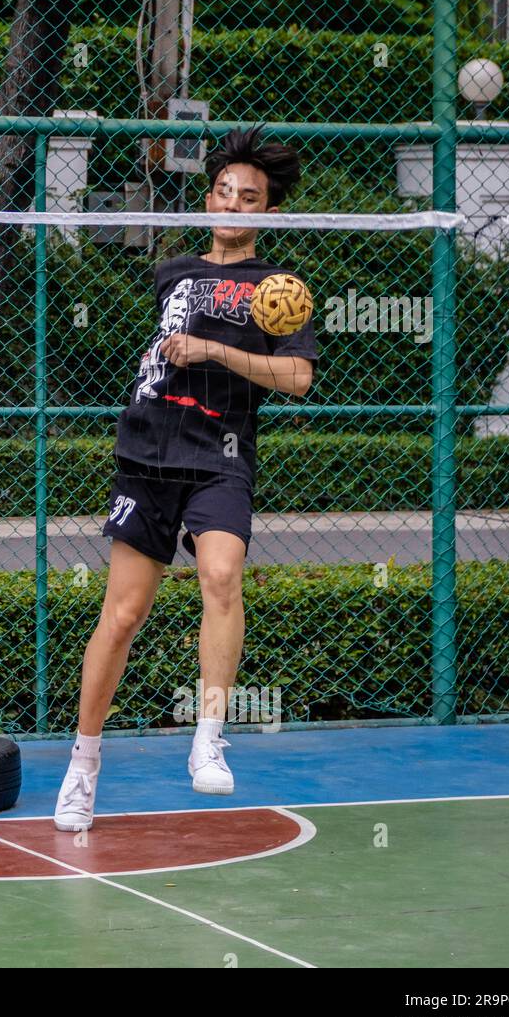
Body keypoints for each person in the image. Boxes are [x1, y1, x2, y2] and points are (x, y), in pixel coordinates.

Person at [54, 126, 318, 830]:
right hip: (148, 451)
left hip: (220, 455)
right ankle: (83, 764)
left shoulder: (281, 291)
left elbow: (296, 378)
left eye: (250, 198)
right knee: (123, 615)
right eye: (225, 192)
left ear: (268, 214)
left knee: (222, 576)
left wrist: (213, 352)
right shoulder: (172, 271)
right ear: (210, 200)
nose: (234, 205)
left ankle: (208, 739)